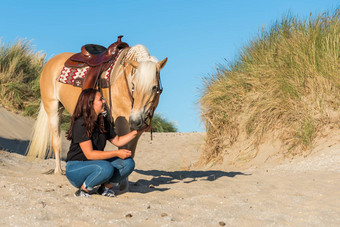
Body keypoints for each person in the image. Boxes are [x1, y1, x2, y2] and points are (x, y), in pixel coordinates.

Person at [65, 88, 148, 198]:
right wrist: (116, 153)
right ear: (90, 103)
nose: (104, 101)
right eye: (100, 99)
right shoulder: (80, 123)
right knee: (105, 167)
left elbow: (118, 141)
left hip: (97, 164)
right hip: (76, 168)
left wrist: (139, 131)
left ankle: (105, 187)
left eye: (103, 99)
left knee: (128, 163)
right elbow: (89, 154)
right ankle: (83, 190)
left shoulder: (102, 121)